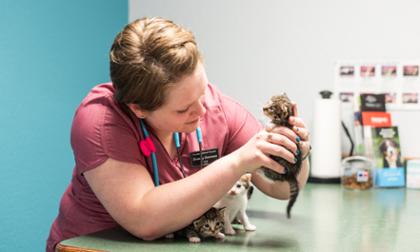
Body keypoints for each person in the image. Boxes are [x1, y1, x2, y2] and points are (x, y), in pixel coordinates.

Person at [46, 17, 311, 251]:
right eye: (184, 108)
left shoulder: (216, 108)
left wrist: (295, 154)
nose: (202, 110)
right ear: (138, 108)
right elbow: (144, 219)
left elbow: (282, 188)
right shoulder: (101, 121)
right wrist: (237, 162)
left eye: (202, 91)